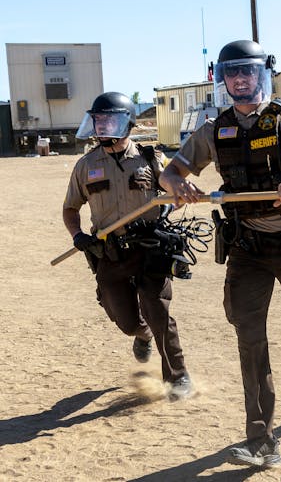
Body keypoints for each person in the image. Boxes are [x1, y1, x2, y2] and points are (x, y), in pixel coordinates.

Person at [159, 40, 281, 469]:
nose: (240, 79)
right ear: (222, 79)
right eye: (232, 73)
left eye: (248, 71)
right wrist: (180, 187)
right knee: (250, 341)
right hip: (247, 247)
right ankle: (263, 440)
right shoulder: (214, 130)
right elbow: (169, 172)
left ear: (264, 73)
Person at [63, 92, 193, 400]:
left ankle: (178, 376)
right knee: (126, 320)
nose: (104, 127)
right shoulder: (86, 165)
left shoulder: (151, 158)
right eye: (99, 121)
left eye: (110, 121)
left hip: (150, 247)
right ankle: (141, 334)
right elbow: (70, 209)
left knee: (157, 309)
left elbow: (172, 192)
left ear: (128, 124)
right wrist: (77, 235)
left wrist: (167, 206)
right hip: (110, 253)